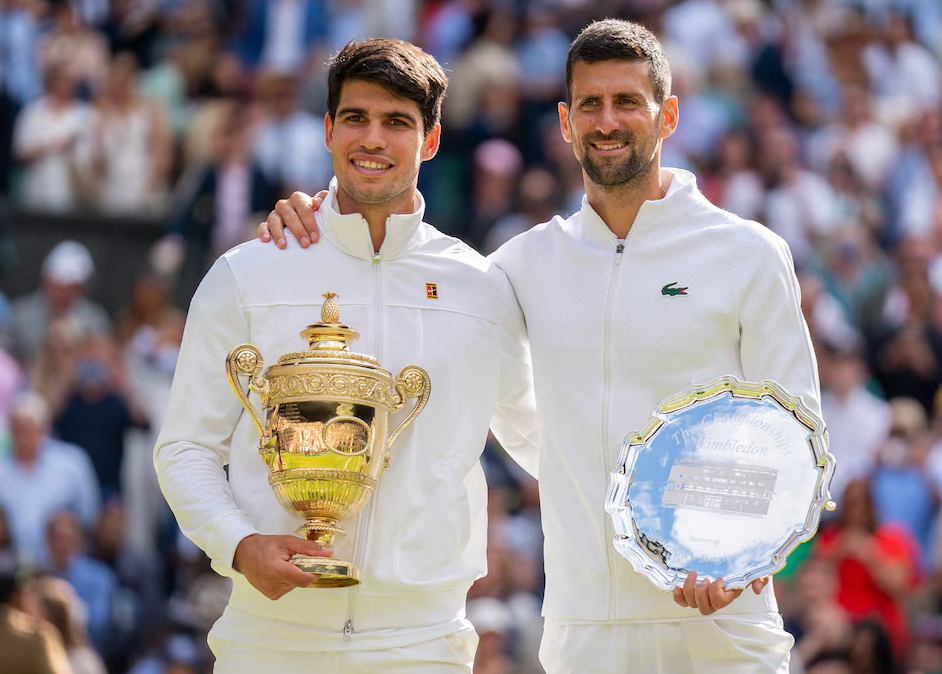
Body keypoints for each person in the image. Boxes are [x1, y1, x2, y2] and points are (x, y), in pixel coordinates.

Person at [261, 19, 819, 674]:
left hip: (722, 629)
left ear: (667, 116)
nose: (607, 121)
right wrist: (325, 223)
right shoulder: (520, 266)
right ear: (564, 121)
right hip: (582, 637)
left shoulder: (748, 254)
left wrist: (738, 554)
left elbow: (799, 433)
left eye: (627, 102)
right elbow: (408, 295)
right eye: (590, 104)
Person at [154, 38, 538, 673]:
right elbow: (186, 447)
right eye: (356, 118)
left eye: (397, 122)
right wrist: (239, 544)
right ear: (328, 130)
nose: (373, 139)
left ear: (431, 139)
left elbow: (542, 440)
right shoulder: (248, 273)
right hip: (270, 634)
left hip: (423, 641)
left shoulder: (481, 287)